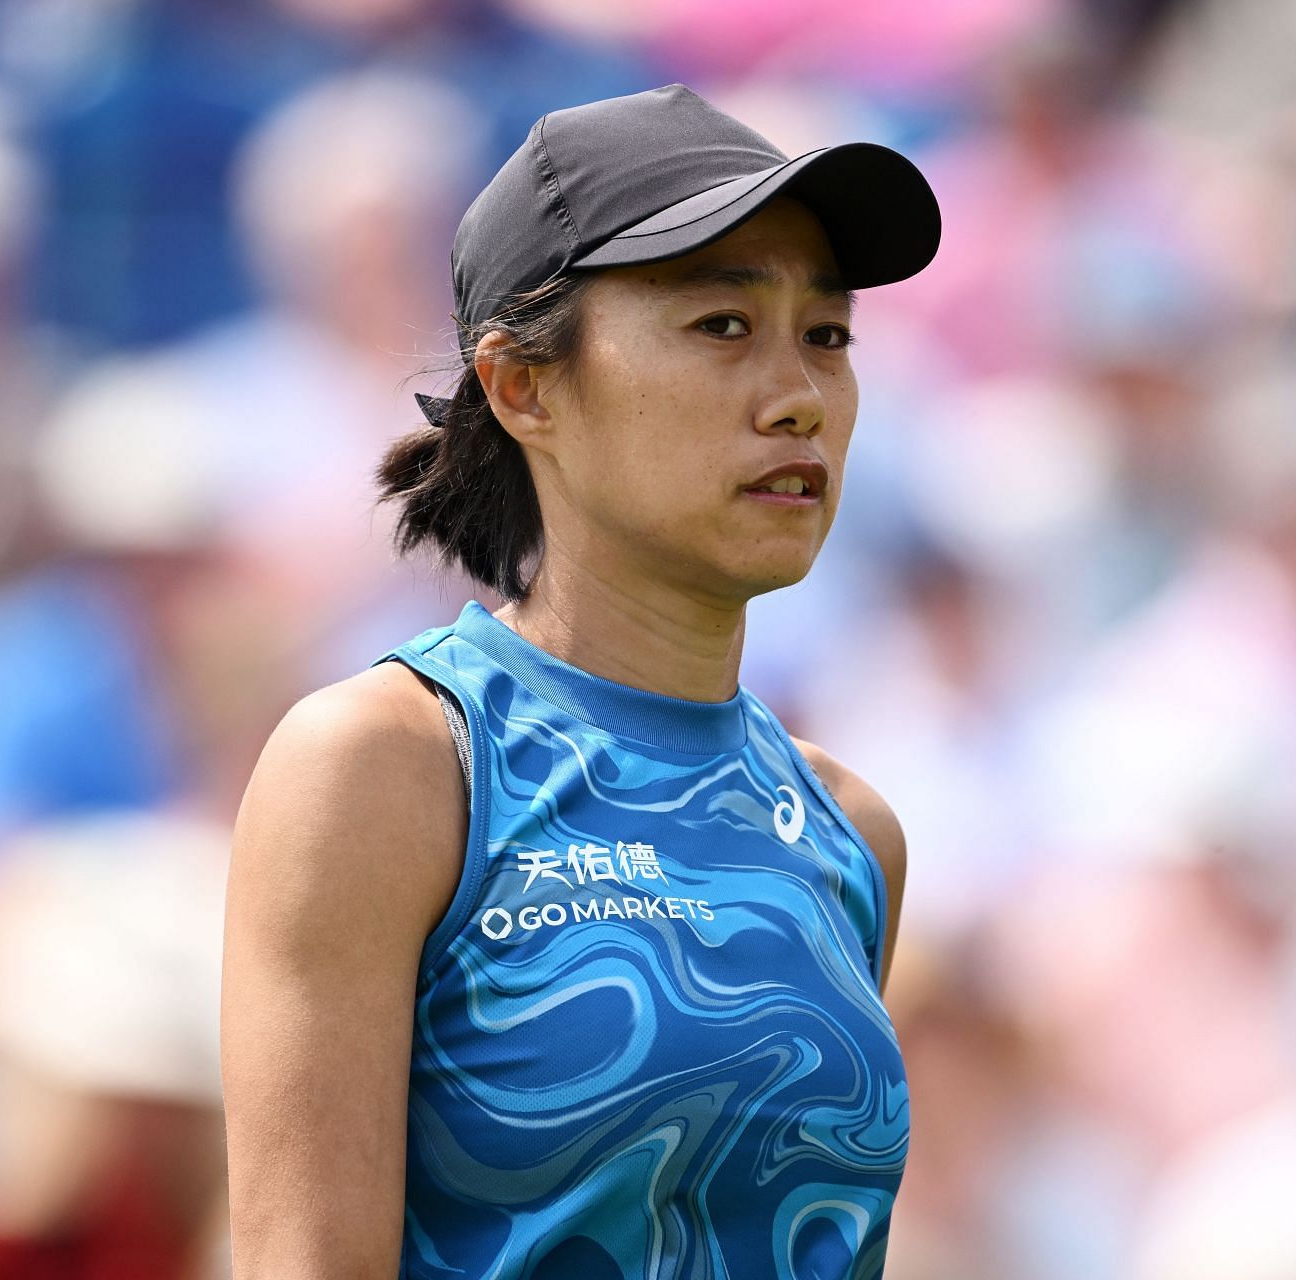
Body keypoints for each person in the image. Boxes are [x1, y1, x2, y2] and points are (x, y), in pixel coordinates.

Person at [221, 82, 940, 1279]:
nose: (799, 396)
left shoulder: (854, 832)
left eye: (828, 335)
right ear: (524, 387)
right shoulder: (386, 766)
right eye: (722, 325)